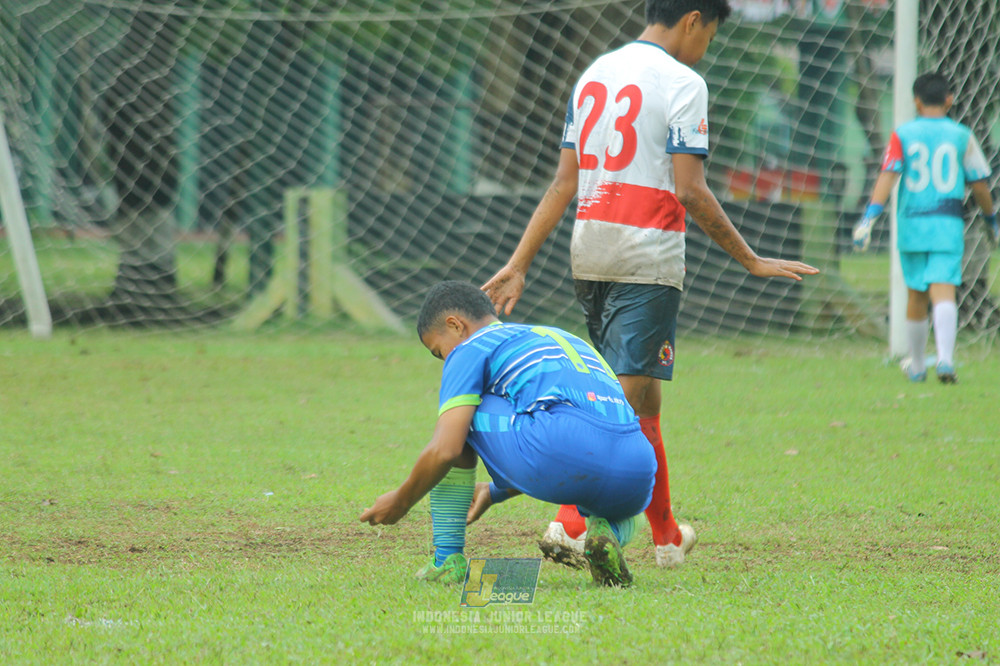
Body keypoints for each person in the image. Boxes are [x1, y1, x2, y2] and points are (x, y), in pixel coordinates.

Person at [481, 0, 819, 569]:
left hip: (589, 257)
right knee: (612, 402)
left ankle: (665, 537)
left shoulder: (595, 73)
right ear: (693, 19)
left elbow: (565, 182)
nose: (705, 46)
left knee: (644, 400)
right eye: (709, 34)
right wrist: (750, 258)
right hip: (646, 262)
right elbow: (690, 189)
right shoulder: (684, 82)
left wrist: (519, 262)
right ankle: (566, 525)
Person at [359, 280, 657, 587]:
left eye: (439, 351)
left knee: (462, 415)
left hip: (560, 450)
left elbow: (446, 449)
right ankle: (607, 536)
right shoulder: (557, 337)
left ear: (455, 325)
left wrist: (402, 501)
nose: (446, 361)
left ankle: (446, 560)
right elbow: (581, 437)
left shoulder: (472, 348)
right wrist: (491, 492)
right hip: (638, 469)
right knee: (612, 502)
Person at [853, 72, 996, 384]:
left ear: (915, 100)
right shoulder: (961, 135)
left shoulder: (903, 134)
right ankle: (945, 359)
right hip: (947, 223)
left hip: (912, 224)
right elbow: (980, 184)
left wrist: (869, 217)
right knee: (944, 288)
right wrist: (991, 218)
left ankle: (917, 365)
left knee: (916, 294)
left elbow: (887, 176)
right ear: (949, 99)